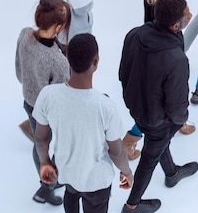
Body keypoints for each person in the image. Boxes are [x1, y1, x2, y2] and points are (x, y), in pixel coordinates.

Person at [34, 33, 133, 213]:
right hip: (97, 182)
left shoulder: (48, 95)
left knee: (70, 197)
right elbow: (116, 152)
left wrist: (45, 162)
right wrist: (126, 171)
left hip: (67, 174)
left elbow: (41, 139)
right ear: (95, 61)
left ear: (67, 58)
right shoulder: (106, 107)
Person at [119, 0, 198, 213]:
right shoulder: (176, 59)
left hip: (136, 107)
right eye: (187, 13)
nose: (191, 15)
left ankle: (172, 173)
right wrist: (179, 122)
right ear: (175, 25)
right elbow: (177, 105)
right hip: (158, 121)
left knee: (159, 144)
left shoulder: (134, 34)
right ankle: (132, 205)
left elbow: (123, 72)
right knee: (148, 159)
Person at [122, 0, 195, 162]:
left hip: (153, 51)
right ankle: (130, 139)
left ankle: (178, 121)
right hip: (164, 53)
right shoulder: (169, 5)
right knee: (160, 101)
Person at [15, 0, 71, 205]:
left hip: (28, 102)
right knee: (55, 145)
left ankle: (46, 179)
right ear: (58, 27)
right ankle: (46, 186)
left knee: (41, 143)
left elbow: (19, 70)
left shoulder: (24, 34)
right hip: (49, 112)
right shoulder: (58, 62)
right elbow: (61, 95)